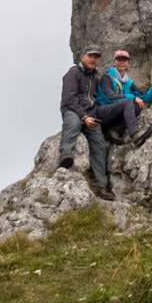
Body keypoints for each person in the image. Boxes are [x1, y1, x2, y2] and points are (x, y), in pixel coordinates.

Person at [57, 46, 115, 200]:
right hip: (72, 110)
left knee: (99, 143)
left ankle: (100, 186)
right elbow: (70, 98)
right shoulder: (73, 73)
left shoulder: (95, 77)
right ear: (82, 57)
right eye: (90, 56)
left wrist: (94, 117)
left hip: (90, 114)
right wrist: (84, 117)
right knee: (73, 124)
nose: (93, 59)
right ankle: (66, 155)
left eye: (96, 57)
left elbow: (97, 99)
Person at [95, 48, 152, 148]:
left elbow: (145, 97)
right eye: (119, 60)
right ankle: (135, 135)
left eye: (124, 60)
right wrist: (132, 97)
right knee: (128, 102)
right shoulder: (106, 77)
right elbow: (110, 98)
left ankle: (115, 129)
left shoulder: (128, 82)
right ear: (114, 62)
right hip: (101, 114)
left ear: (128, 63)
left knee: (137, 106)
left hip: (113, 116)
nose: (121, 62)